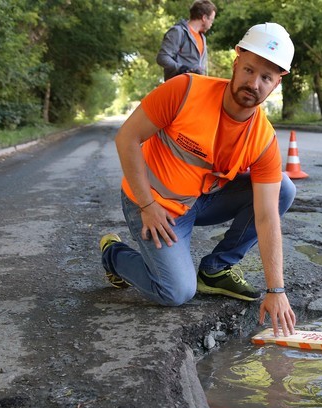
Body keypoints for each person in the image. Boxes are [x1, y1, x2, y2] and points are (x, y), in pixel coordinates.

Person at [101, 23, 297, 337]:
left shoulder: (263, 139)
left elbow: (266, 216)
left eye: (266, 78)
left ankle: (216, 269)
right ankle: (113, 254)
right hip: (156, 205)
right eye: (249, 70)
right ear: (236, 62)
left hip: (201, 201)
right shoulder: (186, 90)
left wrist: (276, 290)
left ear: (277, 83)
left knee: (283, 189)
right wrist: (147, 204)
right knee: (176, 292)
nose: (254, 83)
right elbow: (127, 138)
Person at [156, 0, 216, 81]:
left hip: (196, 88)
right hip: (178, 86)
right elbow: (162, 57)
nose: (211, 24)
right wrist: (181, 68)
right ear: (204, 18)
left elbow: (203, 68)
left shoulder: (203, 38)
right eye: (211, 20)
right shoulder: (178, 32)